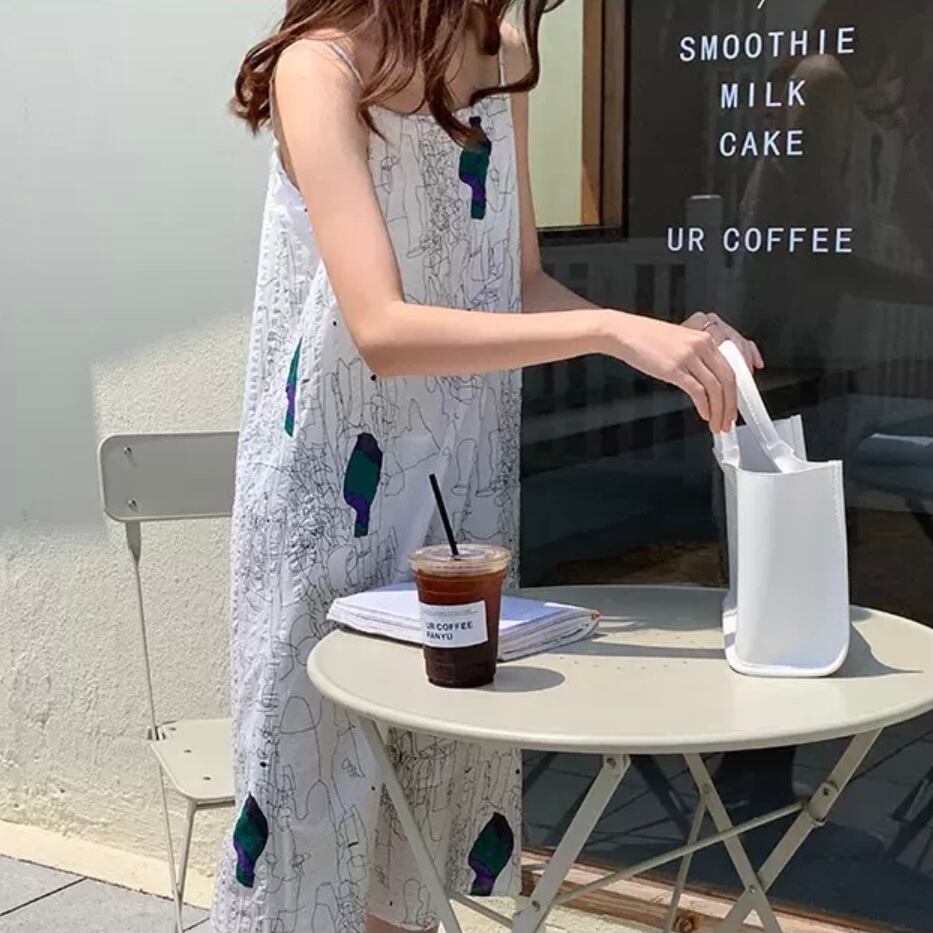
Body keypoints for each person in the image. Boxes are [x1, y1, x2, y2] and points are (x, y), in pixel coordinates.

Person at [210, 2, 762, 931]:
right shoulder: (322, 66)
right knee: (313, 831)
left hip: (457, 494)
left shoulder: (499, 54)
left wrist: (666, 344)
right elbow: (380, 328)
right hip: (330, 501)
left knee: (419, 834)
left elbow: (515, 283)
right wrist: (611, 329)